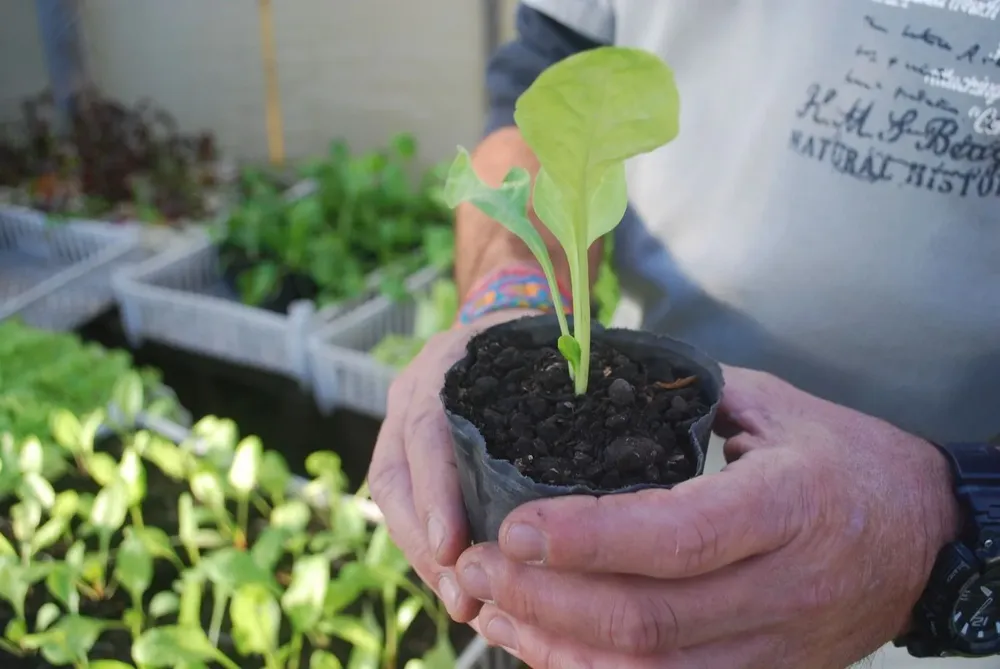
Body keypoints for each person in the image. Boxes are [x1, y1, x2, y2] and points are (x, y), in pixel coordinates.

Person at [370, 2, 1000, 667]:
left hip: (959, 570)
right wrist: (511, 294)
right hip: (672, 427)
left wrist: (946, 523)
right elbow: (549, 71)